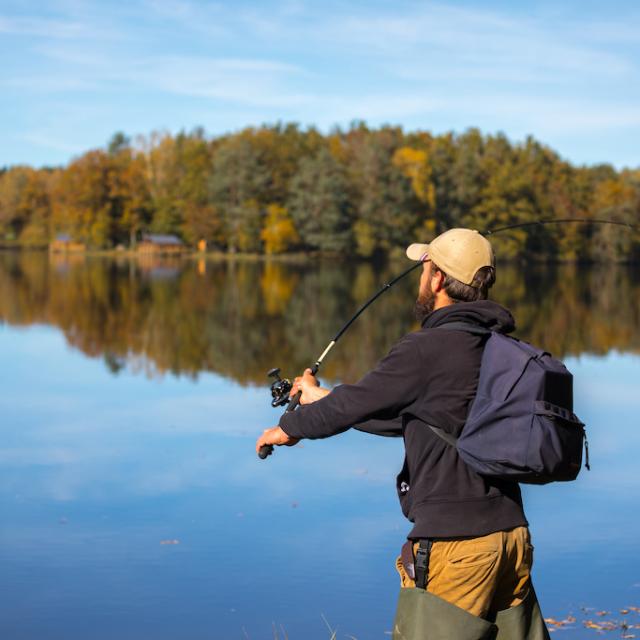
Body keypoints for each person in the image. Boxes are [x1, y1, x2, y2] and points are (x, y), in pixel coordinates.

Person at [256, 228, 550, 640]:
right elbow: (409, 416)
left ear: (439, 279)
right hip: (513, 540)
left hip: (457, 545)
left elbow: (353, 407)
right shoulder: (499, 349)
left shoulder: (424, 349)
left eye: (425, 267)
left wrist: (285, 429)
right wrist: (319, 397)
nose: (421, 276)